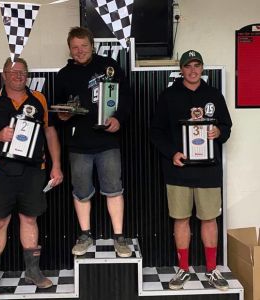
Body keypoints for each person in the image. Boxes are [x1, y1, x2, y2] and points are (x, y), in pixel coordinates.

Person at [0, 57, 63, 299]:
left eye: (22, 72)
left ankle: (32, 271)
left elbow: (50, 132)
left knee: (29, 219)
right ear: (3, 75)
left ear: (27, 75)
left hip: (33, 171)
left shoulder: (38, 99)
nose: (18, 76)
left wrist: (57, 165)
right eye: (13, 72)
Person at [150, 50, 232, 291]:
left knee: (209, 218)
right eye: (188, 66)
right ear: (181, 69)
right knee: (181, 218)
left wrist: (219, 132)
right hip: (179, 170)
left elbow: (226, 126)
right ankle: (183, 269)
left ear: (203, 68)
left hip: (208, 170)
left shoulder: (214, 95)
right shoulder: (168, 95)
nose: (193, 70)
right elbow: (156, 131)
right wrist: (172, 153)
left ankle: (212, 269)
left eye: (197, 65)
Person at [54, 26, 132, 258]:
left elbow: (126, 97)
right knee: (81, 191)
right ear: (69, 49)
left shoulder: (108, 66)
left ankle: (119, 237)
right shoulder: (63, 74)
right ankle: (85, 234)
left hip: (107, 141)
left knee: (114, 189)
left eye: (84, 46)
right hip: (78, 144)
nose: (79, 51)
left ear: (92, 45)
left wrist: (119, 119)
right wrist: (63, 114)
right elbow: (57, 108)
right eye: (75, 47)